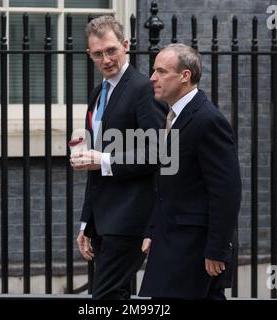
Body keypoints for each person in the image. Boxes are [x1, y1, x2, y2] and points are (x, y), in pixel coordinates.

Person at [70, 15, 166, 299]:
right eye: (98, 54)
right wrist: (87, 222)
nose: (106, 59)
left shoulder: (143, 89)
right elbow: (93, 164)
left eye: (111, 50)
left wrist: (103, 160)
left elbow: (158, 152)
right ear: (90, 55)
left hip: (132, 217)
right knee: (115, 297)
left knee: (104, 297)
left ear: (125, 45)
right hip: (103, 221)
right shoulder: (98, 93)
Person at [139, 43, 242, 300]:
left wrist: (217, 249)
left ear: (185, 76)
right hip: (172, 241)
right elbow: (168, 184)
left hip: (196, 249)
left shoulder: (208, 120)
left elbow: (226, 191)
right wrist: (153, 230)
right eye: (154, 71)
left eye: (161, 71)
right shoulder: (172, 116)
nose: (153, 78)